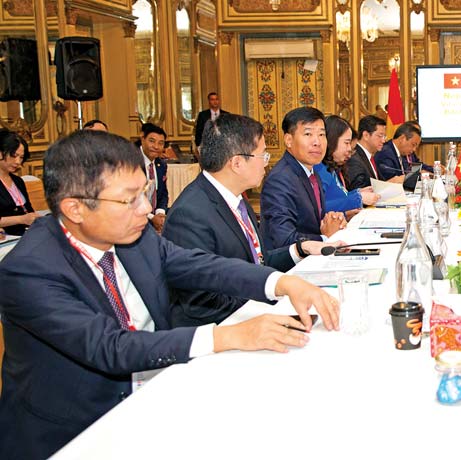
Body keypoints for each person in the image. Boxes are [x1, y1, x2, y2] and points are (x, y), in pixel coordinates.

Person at [0, 130, 340, 459]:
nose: (145, 209)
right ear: (75, 208)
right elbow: (110, 347)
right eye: (129, 199)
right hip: (79, 432)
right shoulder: (29, 270)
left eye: (144, 193)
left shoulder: (132, 234)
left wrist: (281, 282)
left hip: (158, 396)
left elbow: (198, 265)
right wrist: (229, 336)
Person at [163, 114, 343, 327]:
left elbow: (257, 261)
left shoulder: (236, 198)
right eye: (263, 156)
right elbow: (200, 300)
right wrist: (273, 298)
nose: (267, 164)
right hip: (222, 329)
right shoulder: (189, 214)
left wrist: (300, 249)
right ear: (237, 163)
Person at [260, 107, 346, 249]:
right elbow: (283, 239)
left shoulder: (311, 171)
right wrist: (325, 237)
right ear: (288, 140)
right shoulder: (280, 180)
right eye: (308, 134)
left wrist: (330, 221)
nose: (317, 142)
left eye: (321, 134)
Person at [315, 115, 379, 214]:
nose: (349, 149)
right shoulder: (318, 169)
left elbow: (339, 198)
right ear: (332, 141)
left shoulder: (333, 168)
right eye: (346, 143)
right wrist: (358, 198)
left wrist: (357, 193)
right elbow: (318, 208)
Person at [0, 130, 38, 236]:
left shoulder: (18, 181)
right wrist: (21, 219)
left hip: (26, 235)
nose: (18, 162)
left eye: (21, 157)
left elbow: (29, 210)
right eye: (14, 155)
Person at [137, 122, 169, 233]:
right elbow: (132, 197)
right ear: (142, 139)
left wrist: (160, 213)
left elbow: (163, 193)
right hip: (134, 219)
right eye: (152, 141)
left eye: (161, 143)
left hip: (154, 219)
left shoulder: (161, 165)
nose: (156, 146)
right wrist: (151, 217)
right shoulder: (131, 162)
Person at [344, 115, 389, 190]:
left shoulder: (370, 156)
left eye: (384, 136)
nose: (383, 141)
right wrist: (389, 184)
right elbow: (360, 190)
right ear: (366, 135)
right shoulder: (354, 158)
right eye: (380, 136)